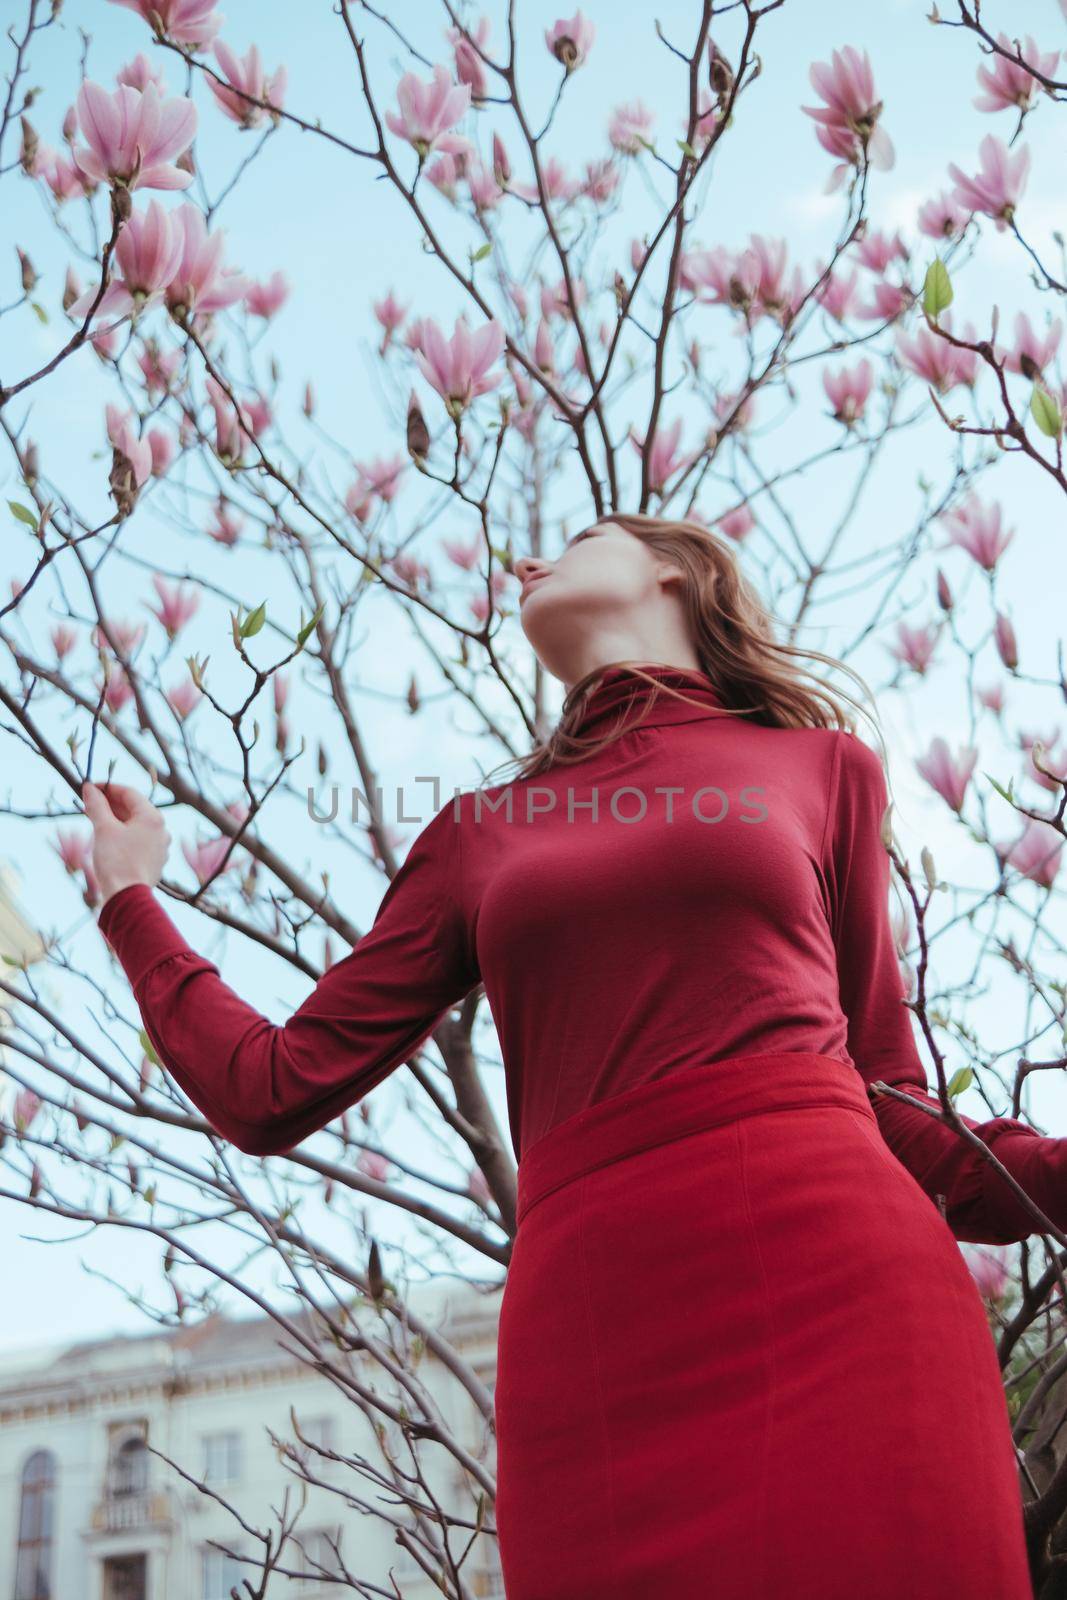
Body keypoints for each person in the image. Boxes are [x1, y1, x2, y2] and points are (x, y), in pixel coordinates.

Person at [85, 511, 1060, 1599]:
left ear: (677, 571)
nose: (527, 560)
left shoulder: (824, 771)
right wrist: (131, 898)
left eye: (579, 538)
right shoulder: (477, 831)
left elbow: (902, 1113)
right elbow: (265, 1089)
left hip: (848, 1296)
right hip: (595, 1351)